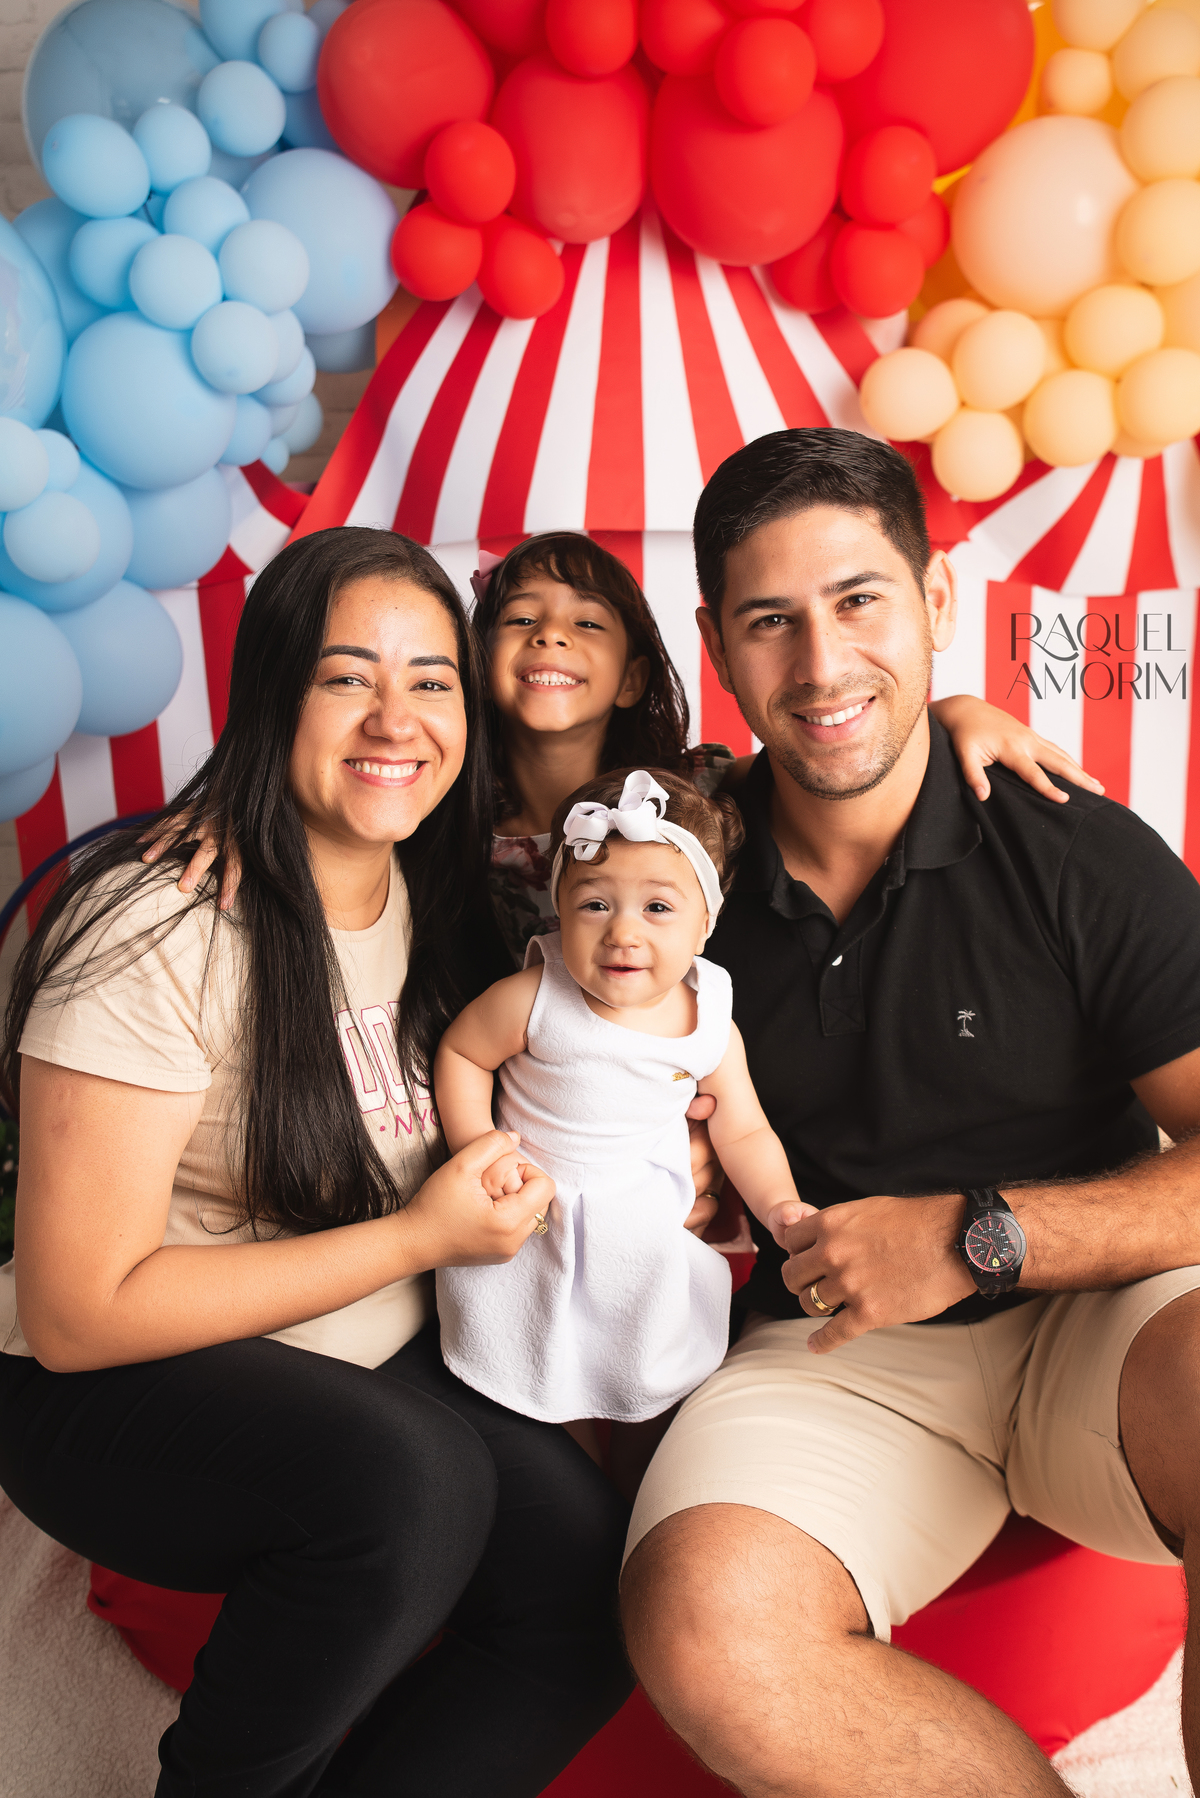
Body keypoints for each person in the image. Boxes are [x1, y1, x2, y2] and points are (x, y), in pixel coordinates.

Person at [0, 528, 633, 1798]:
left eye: (431, 680)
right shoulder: (161, 919)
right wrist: (417, 1238)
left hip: (355, 1348)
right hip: (112, 1383)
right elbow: (77, 1314)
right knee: (414, 1483)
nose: (395, 718)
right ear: (272, 696)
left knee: (587, 1574)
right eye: (347, 677)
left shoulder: (441, 892)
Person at [618, 426, 1200, 1798]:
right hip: (842, 1347)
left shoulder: (1075, 848)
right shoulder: (676, 866)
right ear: (716, 643)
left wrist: (978, 1233)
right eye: (772, 620)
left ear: (939, 601)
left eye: (859, 600)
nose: (822, 665)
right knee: (704, 1622)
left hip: (1101, 1310)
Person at [469, 532, 1105, 970]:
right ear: (478, 656)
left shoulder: (690, 792)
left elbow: (822, 750)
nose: (550, 637)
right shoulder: (456, 823)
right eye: (522, 619)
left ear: (632, 679)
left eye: (586, 623)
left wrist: (954, 711)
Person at [434, 767, 810, 1462]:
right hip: (537, 1224)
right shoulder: (536, 997)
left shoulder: (708, 1021)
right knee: (544, 1387)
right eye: (595, 904)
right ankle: (573, 1482)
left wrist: (780, 1206)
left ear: (706, 923)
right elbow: (462, 1053)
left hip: (642, 1235)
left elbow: (743, 1127)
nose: (623, 933)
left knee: (651, 1387)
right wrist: (480, 1149)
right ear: (559, 909)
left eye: (657, 907)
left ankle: (640, 1487)